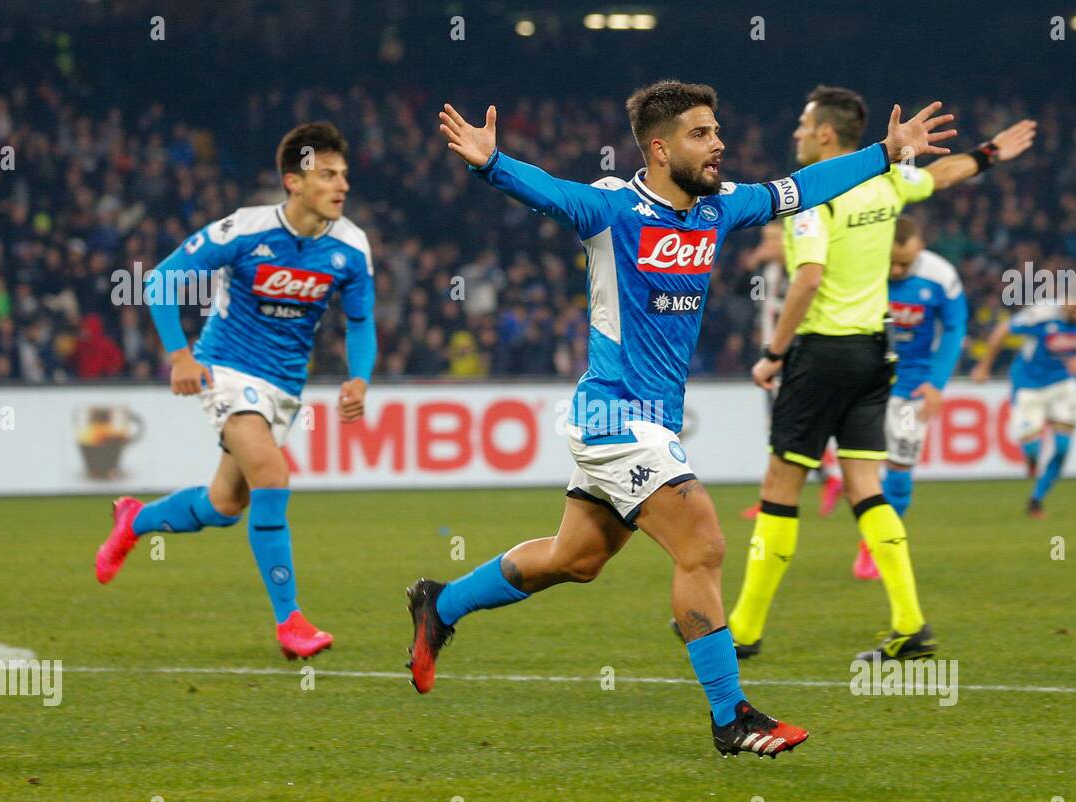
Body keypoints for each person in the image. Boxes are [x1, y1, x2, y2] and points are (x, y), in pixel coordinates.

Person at [408, 80, 954, 757]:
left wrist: (884, 153)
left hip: (650, 421)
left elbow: (802, 188)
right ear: (661, 149)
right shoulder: (612, 208)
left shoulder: (717, 208)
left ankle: (441, 603)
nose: (719, 143)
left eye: (717, 131)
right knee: (704, 543)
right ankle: (733, 718)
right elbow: (549, 191)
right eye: (702, 133)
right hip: (613, 414)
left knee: (574, 560)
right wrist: (492, 164)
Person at [724, 85, 1033, 661]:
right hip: (873, 354)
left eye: (801, 123)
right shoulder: (885, 181)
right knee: (866, 486)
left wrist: (773, 352)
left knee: (779, 489)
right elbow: (939, 178)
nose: (794, 133)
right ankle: (910, 625)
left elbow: (809, 278)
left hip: (820, 354)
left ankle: (742, 629)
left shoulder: (812, 197)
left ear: (824, 134)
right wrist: (990, 154)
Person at [94, 122, 376, 660]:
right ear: (293, 181)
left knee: (224, 505)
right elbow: (161, 280)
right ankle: (290, 621)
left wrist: (359, 376)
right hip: (226, 371)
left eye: (344, 175)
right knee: (272, 474)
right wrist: (179, 354)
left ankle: (135, 519)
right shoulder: (243, 230)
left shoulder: (350, 247)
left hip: (285, 388)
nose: (342, 185)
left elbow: (361, 323)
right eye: (328, 175)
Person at [851, 216, 968, 579]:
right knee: (858, 467)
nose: (898, 269)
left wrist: (937, 383)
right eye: (892, 262)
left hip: (912, 388)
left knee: (899, 471)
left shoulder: (941, 277)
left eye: (906, 262)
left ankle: (873, 547)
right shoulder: (861, 265)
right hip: (866, 382)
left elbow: (954, 328)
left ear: (920, 248)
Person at [972, 303, 1076, 517]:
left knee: (1062, 448)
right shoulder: (1041, 314)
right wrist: (984, 365)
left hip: (1064, 384)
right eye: (1073, 306)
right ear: (1065, 301)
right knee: (1033, 448)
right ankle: (1032, 460)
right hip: (1029, 383)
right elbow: (1003, 329)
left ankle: (1036, 499)